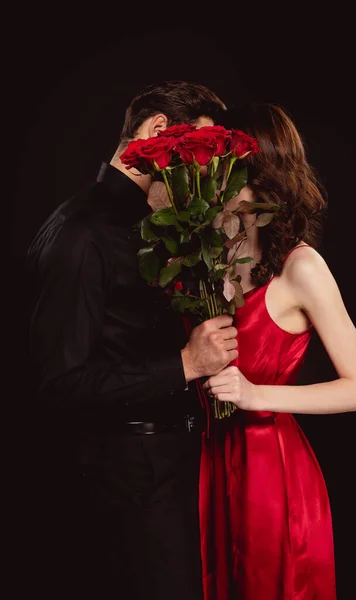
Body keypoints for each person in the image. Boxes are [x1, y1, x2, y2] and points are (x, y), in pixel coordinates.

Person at [26, 81, 238, 598]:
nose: (205, 171)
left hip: (159, 468)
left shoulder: (141, 224)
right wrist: (184, 364)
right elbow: (59, 381)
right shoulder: (82, 232)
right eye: (200, 153)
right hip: (130, 480)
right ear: (159, 133)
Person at [200, 103, 356, 600]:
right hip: (213, 461)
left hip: (270, 473)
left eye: (224, 165)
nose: (212, 178)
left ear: (262, 177)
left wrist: (258, 394)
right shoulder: (214, 254)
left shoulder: (304, 268)